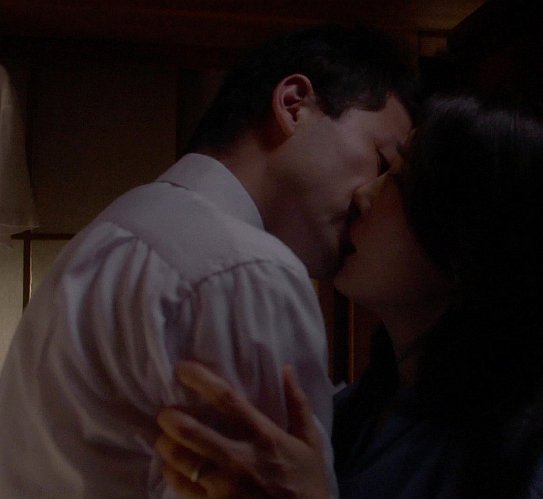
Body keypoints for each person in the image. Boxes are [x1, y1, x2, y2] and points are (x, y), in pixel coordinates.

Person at [0, 24, 417, 498]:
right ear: (294, 104)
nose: (370, 197)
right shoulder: (244, 269)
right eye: (380, 161)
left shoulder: (116, 230)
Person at [154, 95, 543, 498]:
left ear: (469, 244)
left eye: (400, 179)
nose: (363, 194)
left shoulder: (513, 459)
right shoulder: (358, 412)